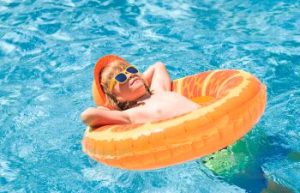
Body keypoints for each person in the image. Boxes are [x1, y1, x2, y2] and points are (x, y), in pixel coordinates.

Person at [81, 55, 199, 128]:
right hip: (202, 139)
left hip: (212, 120)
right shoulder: (131, 114)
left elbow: (158, 66)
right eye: (121, 78)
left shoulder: (159, 90)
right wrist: (109, 108)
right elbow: (88, 115)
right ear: (117, 98)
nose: (130, 75)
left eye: (131, 70)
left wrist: (140, 80)